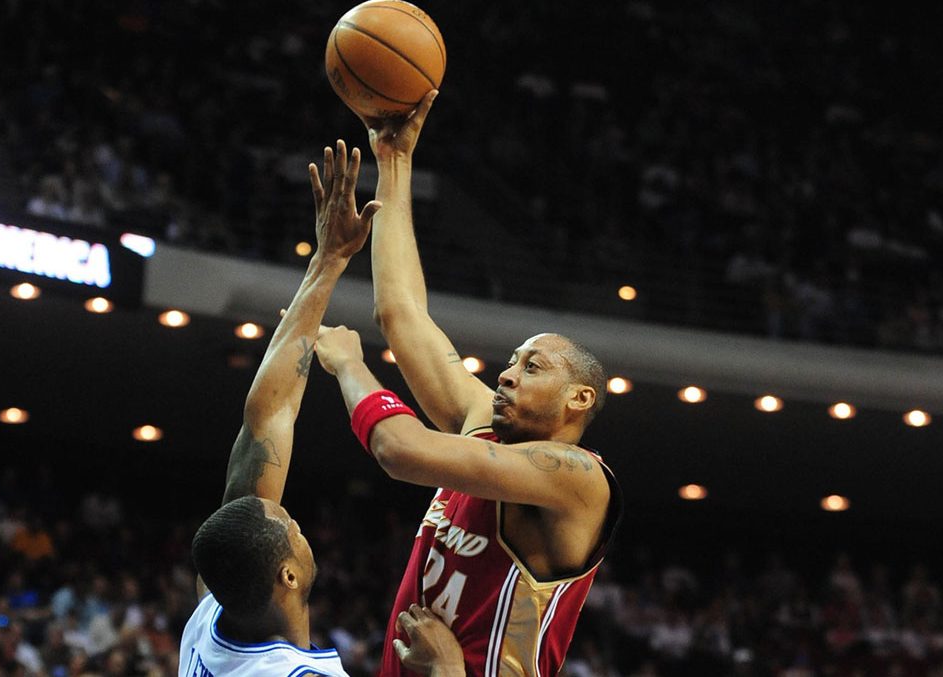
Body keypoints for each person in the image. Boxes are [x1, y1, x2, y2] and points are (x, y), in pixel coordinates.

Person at [322, 91, 624, 676]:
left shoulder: (581, 482)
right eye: (512, 360)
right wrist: (394, 160)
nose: (507, 373)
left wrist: (349, 365)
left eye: (532, 367)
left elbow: (398, 449)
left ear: (579, 398)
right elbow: (402, 314)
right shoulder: (485, 429)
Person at [178, 140, 463, 677]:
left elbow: (269, 416)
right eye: (293, 528)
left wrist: (327, 261)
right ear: (286, 576)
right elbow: (265, 417)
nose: (293, 516)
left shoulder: (213, 617)